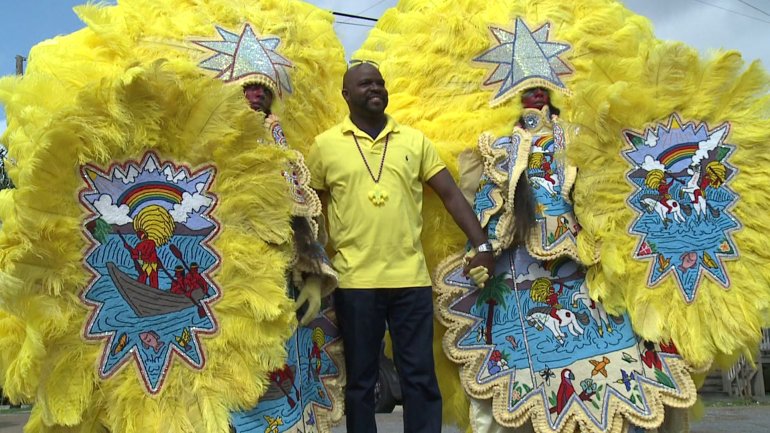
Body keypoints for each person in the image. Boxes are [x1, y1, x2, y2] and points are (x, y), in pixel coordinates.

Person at [437, 86, 694, 433]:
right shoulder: (501, 148)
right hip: (520, 278)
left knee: (628, 373)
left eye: (542, 89)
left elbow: (614, 196)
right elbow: (488, 207)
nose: (535, 95)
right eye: (527, 90)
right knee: (526, 392)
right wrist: (482, 251)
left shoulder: (583, 137)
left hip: (593, 271)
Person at [307, 62, 495, 433]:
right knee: (361, 381)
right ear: (346, 95)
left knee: (420, 378)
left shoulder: (414, 140)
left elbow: (451, 196)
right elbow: (311, 209)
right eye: (365, 84)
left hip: (411, 280)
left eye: (379, 83)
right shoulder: (325, 145)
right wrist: (311, 261)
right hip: (354, 282)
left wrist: (483, 243)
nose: (375, 88)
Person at [229, 79, 342, 433]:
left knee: (288, 366)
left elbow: (303, 216)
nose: (258, 94)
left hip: (282, 276)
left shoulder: (282, 146)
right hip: (233, 276)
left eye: (264, 89)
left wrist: (312, 276)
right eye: (248, 88)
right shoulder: (219, 145)